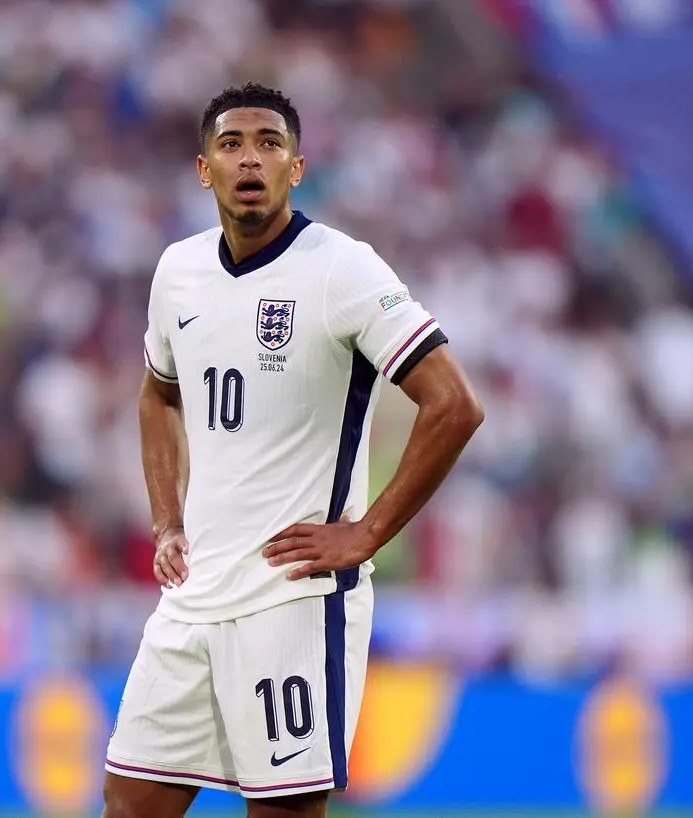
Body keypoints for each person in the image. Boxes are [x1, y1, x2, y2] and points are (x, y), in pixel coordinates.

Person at [103, 82, 484, 818]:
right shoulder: (177, 272)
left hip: (291, 598)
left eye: (269, 144)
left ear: (297, 168)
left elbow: (455, 405)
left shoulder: (342, 269)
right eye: (232, 144)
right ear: (203, 169)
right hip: (194, 598)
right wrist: (166, 523)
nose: (251, 160)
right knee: (126, 806)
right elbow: (157, 394)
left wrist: (367, 531)